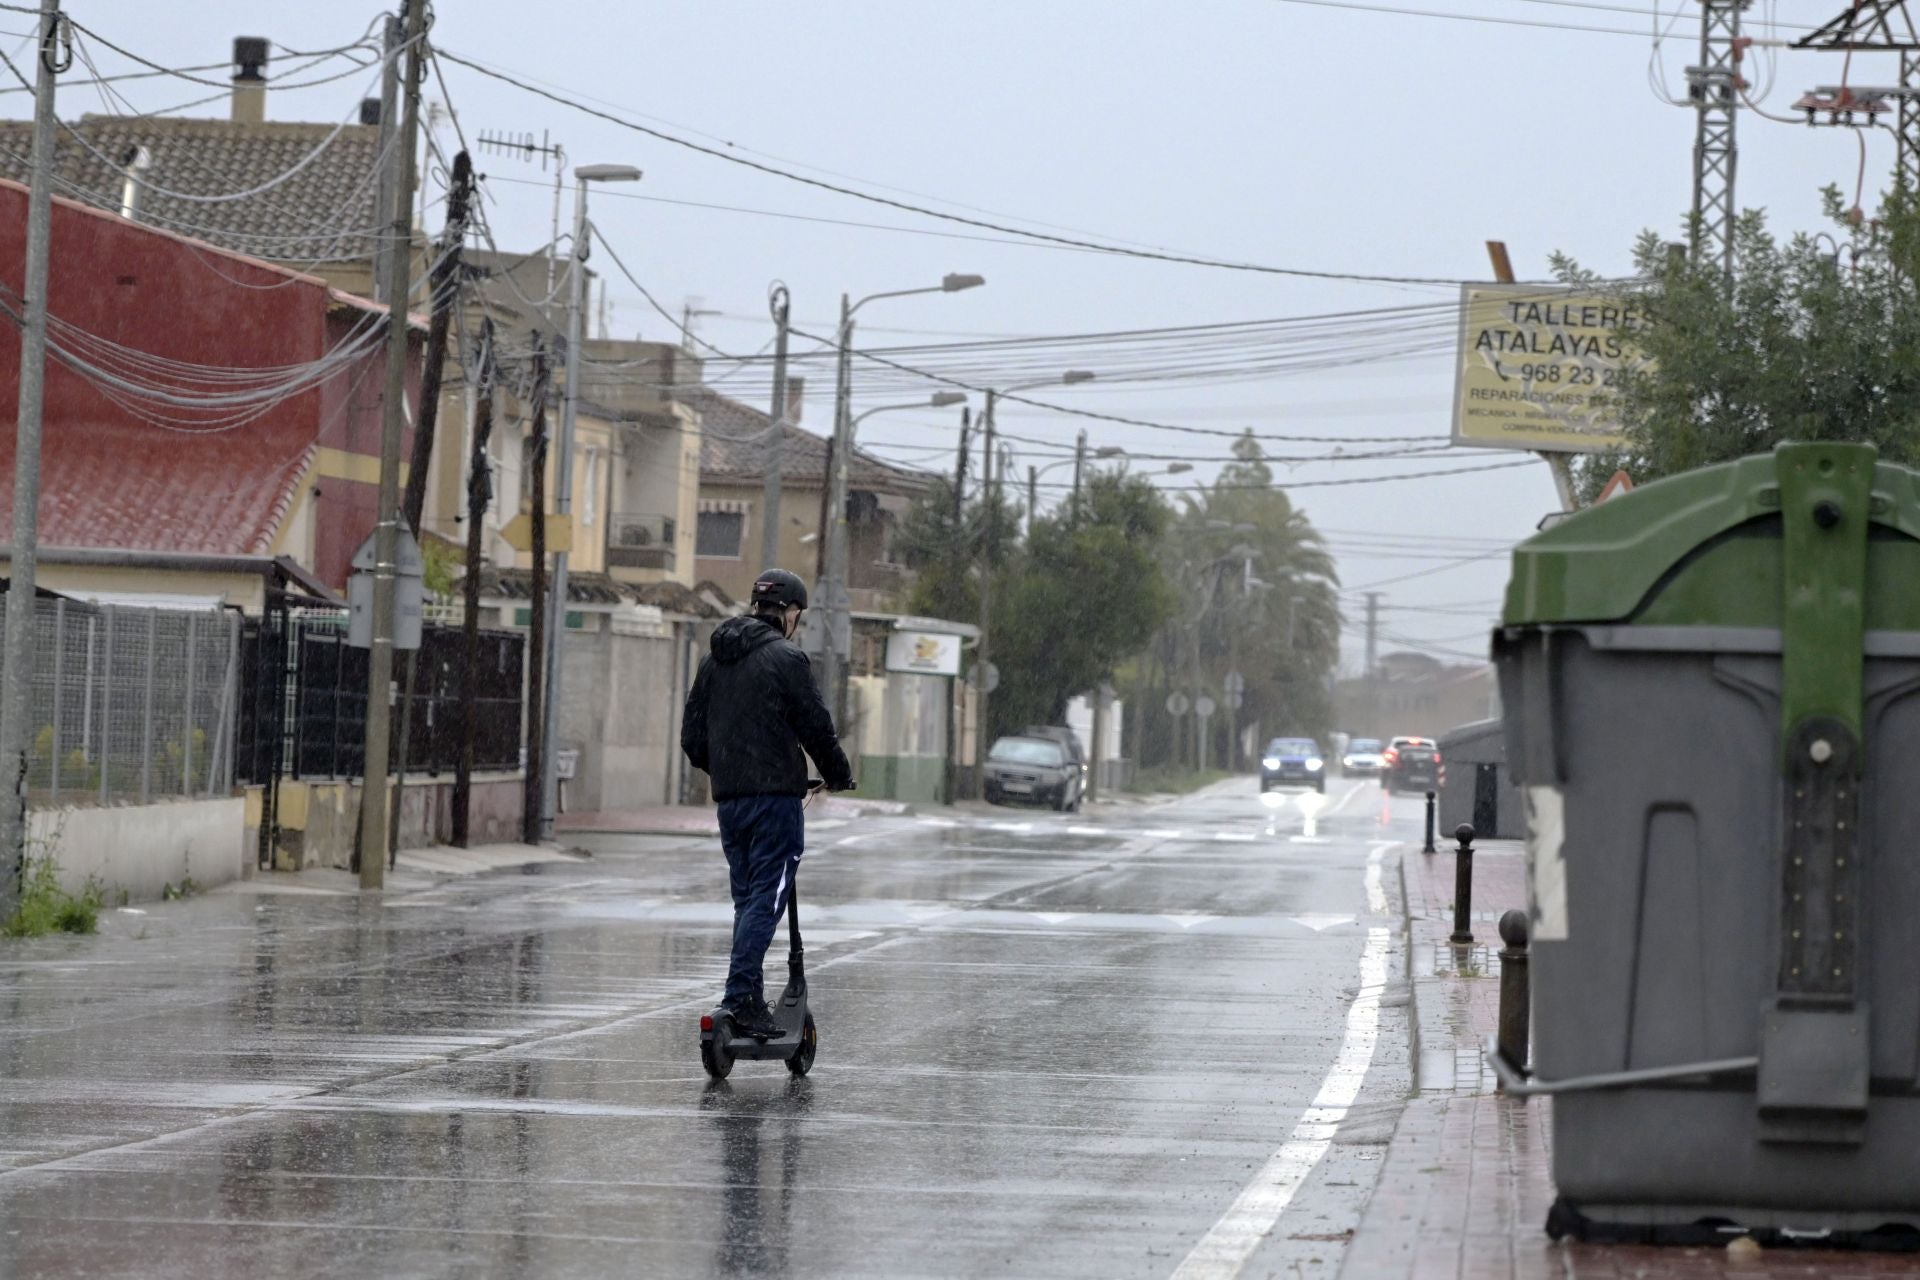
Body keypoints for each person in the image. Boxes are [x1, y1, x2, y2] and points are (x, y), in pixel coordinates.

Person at [681, 568, 853, 1040]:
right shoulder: (786, 659)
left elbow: (692, 738)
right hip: (775, 801)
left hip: (731, 802)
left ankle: (751, 999)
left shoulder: (713, 661)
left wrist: (727, 770)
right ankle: (739, 997)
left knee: (747, 899)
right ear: (791, 613)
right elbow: (816, 727)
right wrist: (837, 775)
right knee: (768, 896)